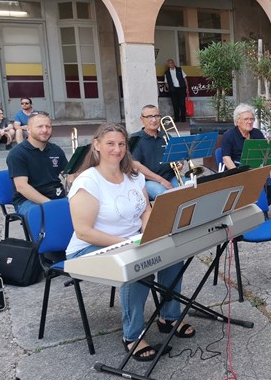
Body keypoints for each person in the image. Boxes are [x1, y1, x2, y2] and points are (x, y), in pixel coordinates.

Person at [65, 123, 193, 362]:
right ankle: (132, 335)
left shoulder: (133, 175)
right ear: (96, 146)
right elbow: (84, 232)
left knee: (172, 254)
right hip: (89, 249)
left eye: (121, 144)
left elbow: (145, 210)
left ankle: (169, 317)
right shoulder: (88, 181)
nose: (117, 149)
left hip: (131, 240)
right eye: (110, 144)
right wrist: (127, 243)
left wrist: (152, 233)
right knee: (139, 267)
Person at [220, 103, 271, 205]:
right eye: (246, 119)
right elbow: (226, 159)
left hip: (257, 169)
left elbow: (266, 153)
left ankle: (261, 206)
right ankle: (250, 207)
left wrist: (270, 168)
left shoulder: (257, 133)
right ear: (237, 121)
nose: (249, 122)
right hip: (239, 171)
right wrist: (239, 174)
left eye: (251, 119)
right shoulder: (229, 135)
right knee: (250, 185)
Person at [6, 112, 67, 215]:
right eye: (40, 127)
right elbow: (22, 187)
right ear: (28, 130)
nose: (45, 130)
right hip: (28, 201)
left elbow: (68, 174)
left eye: (48, 126)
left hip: (57, 196)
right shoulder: (17, 153)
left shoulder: (56, 150)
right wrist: (50, 204)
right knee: (48, 216)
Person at [130, 104, 179, 200]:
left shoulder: (166, 135)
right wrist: (161, 180)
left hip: (170, 177)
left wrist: (179, 163)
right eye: (149, 117)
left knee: (190, 188)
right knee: (164, 195)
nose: (154, 120)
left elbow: (177, 156)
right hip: (147, 181)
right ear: (141, 119)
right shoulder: (135, 139)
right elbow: (136, 166)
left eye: (157, 116)